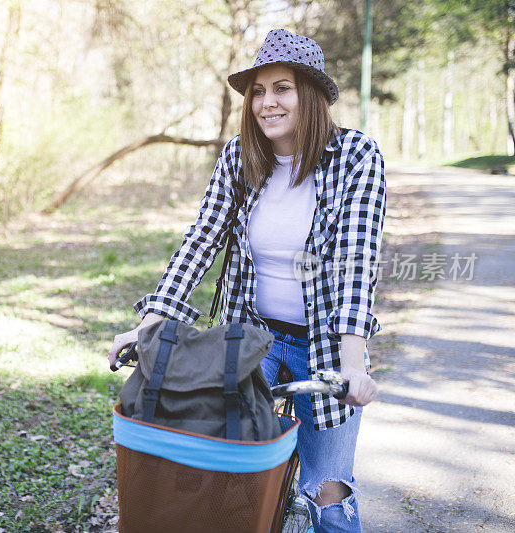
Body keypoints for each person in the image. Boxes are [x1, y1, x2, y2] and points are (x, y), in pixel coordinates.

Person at [107, 28, 385, 532]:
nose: (266, 102)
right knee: (230, 484)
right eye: (258, 90)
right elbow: (201, 240)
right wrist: (150, 326)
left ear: (313, 95)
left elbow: (354, 262)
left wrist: (351, 367)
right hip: (249, 341)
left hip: (322, 350)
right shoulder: (239, 157)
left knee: (326, 492)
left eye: (282, 88)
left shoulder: (355, 157)